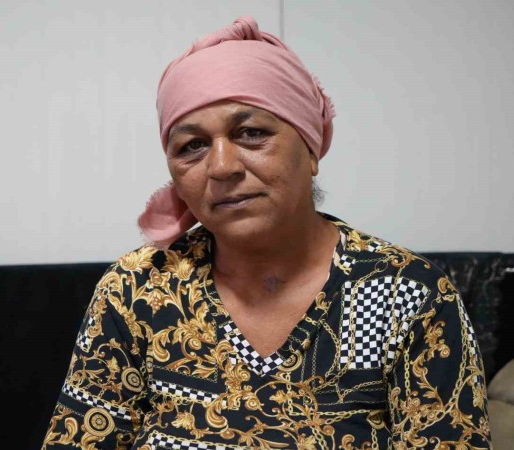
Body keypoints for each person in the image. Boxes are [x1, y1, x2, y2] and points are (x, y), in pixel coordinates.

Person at [42, 17, 491, 450]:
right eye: (192, 146)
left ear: (311, 149)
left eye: (251, 133)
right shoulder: (138, 290)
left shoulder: (406, 295)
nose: (222, 167)